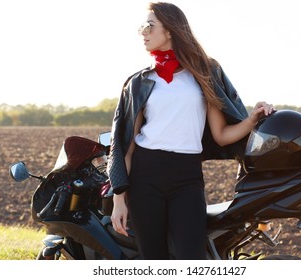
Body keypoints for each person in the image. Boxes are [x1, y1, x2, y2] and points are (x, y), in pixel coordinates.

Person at [107, 1, 274, 260]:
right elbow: (125, 145)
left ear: (171, 31)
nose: (143, 32)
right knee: (154, 260)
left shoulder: (203, 74)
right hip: (145, 176)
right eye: (142, 26)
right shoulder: (140, 82)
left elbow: (221, 135)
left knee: (192, 259)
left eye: (149, 26)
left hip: (187, 177)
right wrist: (119, 199)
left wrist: (251, 120)